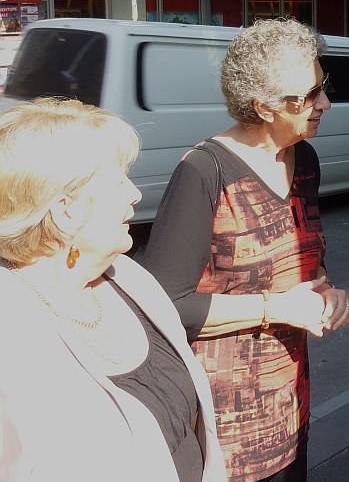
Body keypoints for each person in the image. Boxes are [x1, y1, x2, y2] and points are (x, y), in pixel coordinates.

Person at [140, 18, 349, 482]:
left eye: (323, 86)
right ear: (264, 106)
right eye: (310, 94)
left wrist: (328, 295)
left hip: (290, 408)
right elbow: (165, 305)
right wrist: (278, 308)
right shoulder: (205, 171)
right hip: (224, 432)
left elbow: (306, 266)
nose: (325, 103)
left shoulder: (305, 160)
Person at [0, 98, 226, 482]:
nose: (134, 194)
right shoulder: (12, 338)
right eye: (120, 180)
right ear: (66, 210)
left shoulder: (130, 279)